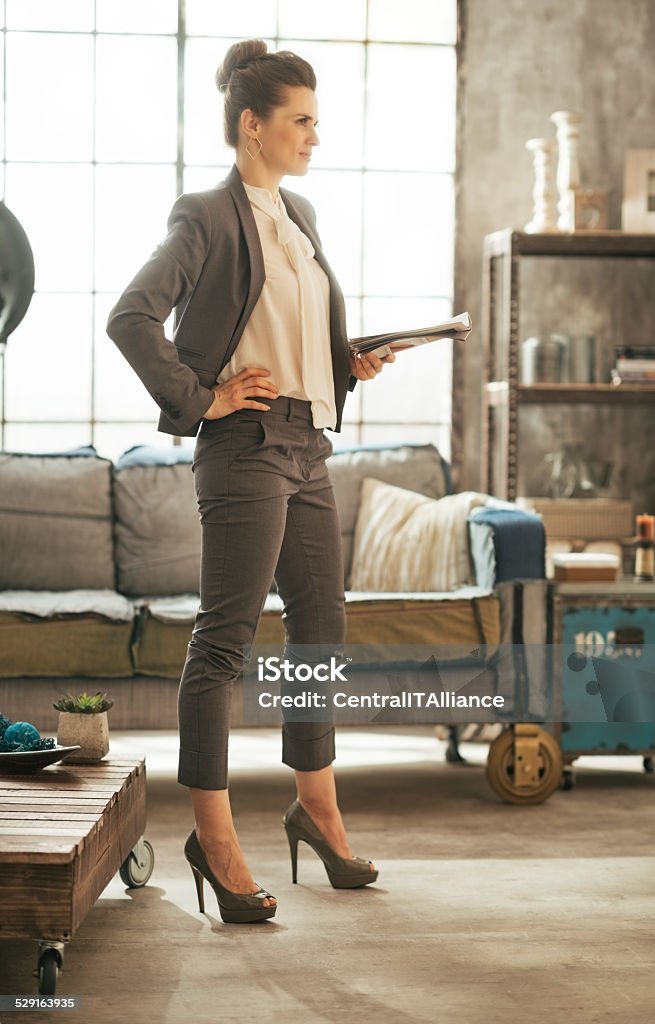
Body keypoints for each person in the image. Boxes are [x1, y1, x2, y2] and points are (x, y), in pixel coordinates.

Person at [106, 38, 394, 925]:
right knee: (224, 642)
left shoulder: (297, 212)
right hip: (245, 447)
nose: (315, 136)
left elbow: (282, 328)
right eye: (301, 121)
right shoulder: (204, 215)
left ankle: (318, 810)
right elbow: (132, 317)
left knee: (319, 630)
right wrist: (203, 398)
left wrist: (344, 362)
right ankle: (214, 838)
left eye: (315, 120)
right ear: (252, 125)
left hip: (308, 441)